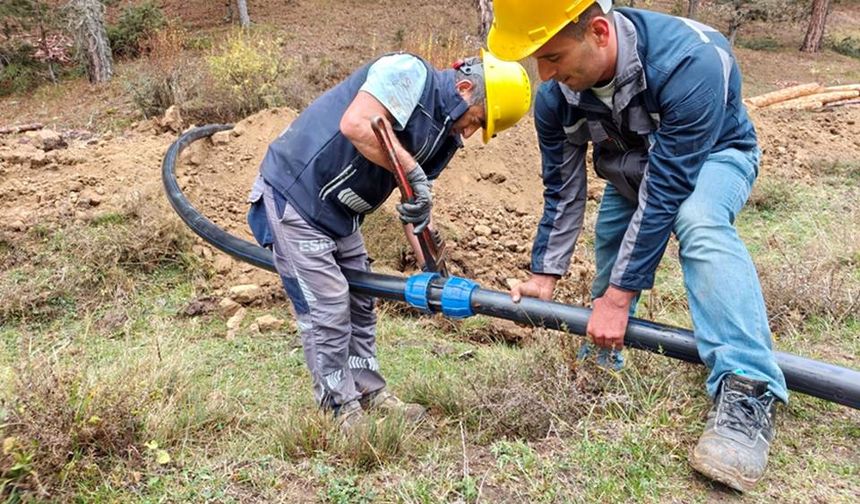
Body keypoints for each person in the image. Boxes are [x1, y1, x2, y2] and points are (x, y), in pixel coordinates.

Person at [488, 0, 787, 492]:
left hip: (715, 155)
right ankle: (602, 358)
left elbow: (669, 188)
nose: (544, 75)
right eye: (536, 61)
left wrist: (619, 297)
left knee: (699, 221)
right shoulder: (557, 97)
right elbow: (562, 190)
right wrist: (545, 273)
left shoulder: (691, 63)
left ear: (599, 32)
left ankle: (748, 388)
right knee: (612, 236)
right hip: (635, 165)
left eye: (553, 58)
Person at [245, 50, 531, 431]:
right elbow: (357, 124)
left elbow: (413, 205)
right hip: (296, 196)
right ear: (464, 88)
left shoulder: (444, 137)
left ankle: (368, 392)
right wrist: (412, 170)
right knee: (328, 309)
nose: (470, 132)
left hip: (341, 216)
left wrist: (431, 269)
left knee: (362, 302)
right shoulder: (407, 73)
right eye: (476, 120)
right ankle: (339, 408)